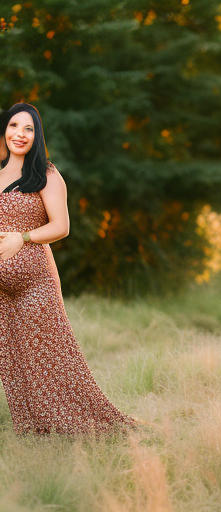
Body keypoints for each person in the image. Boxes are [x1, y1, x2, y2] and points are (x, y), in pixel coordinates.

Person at [0, 103, 145, 437]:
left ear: (37, 136)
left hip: (35, 282)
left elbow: (61, 226)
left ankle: (78, 427)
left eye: (29, 129)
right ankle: (35, 431)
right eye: (14, 126)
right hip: (2, 292)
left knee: (51, 357)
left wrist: (23, 238)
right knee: (14, 363)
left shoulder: (46, 174)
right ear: (4, 130)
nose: (19, 135)